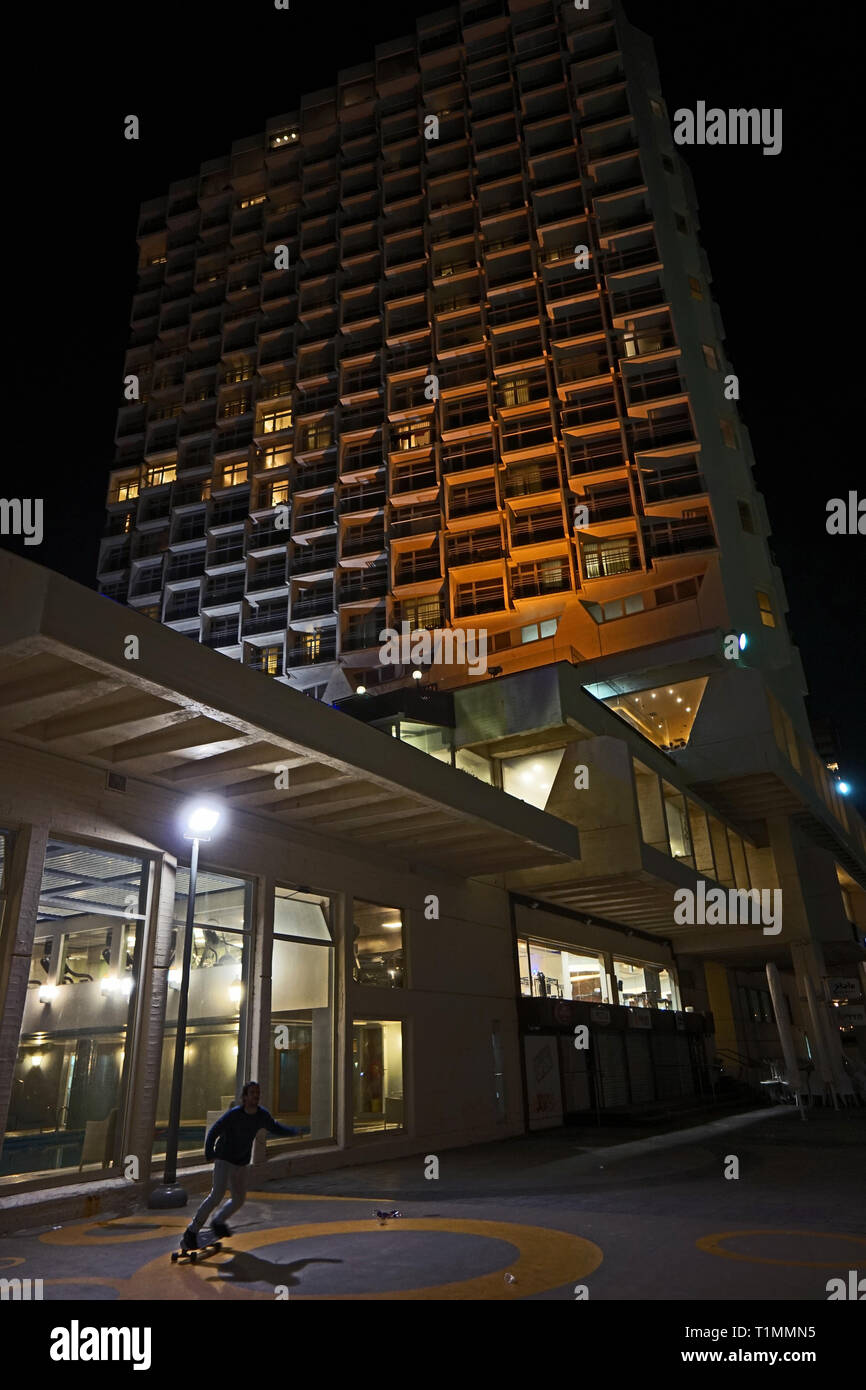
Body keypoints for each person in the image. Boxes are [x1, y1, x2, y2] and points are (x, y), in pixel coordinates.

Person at [182, 1081, 304, 1250]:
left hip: (241, 1162)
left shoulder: (261, 1115)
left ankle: (218, 1221)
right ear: (244, 1097)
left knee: (239, 1199)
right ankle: (192, 1231)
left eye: (258, 1092)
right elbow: (214, 1131)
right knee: (216, 1195)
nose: (256, 1095)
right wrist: (209, 1153)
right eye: (252, 1093)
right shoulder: (234, 1115)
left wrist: (293, 1132)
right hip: (224, 1159)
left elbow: (275, 1127)